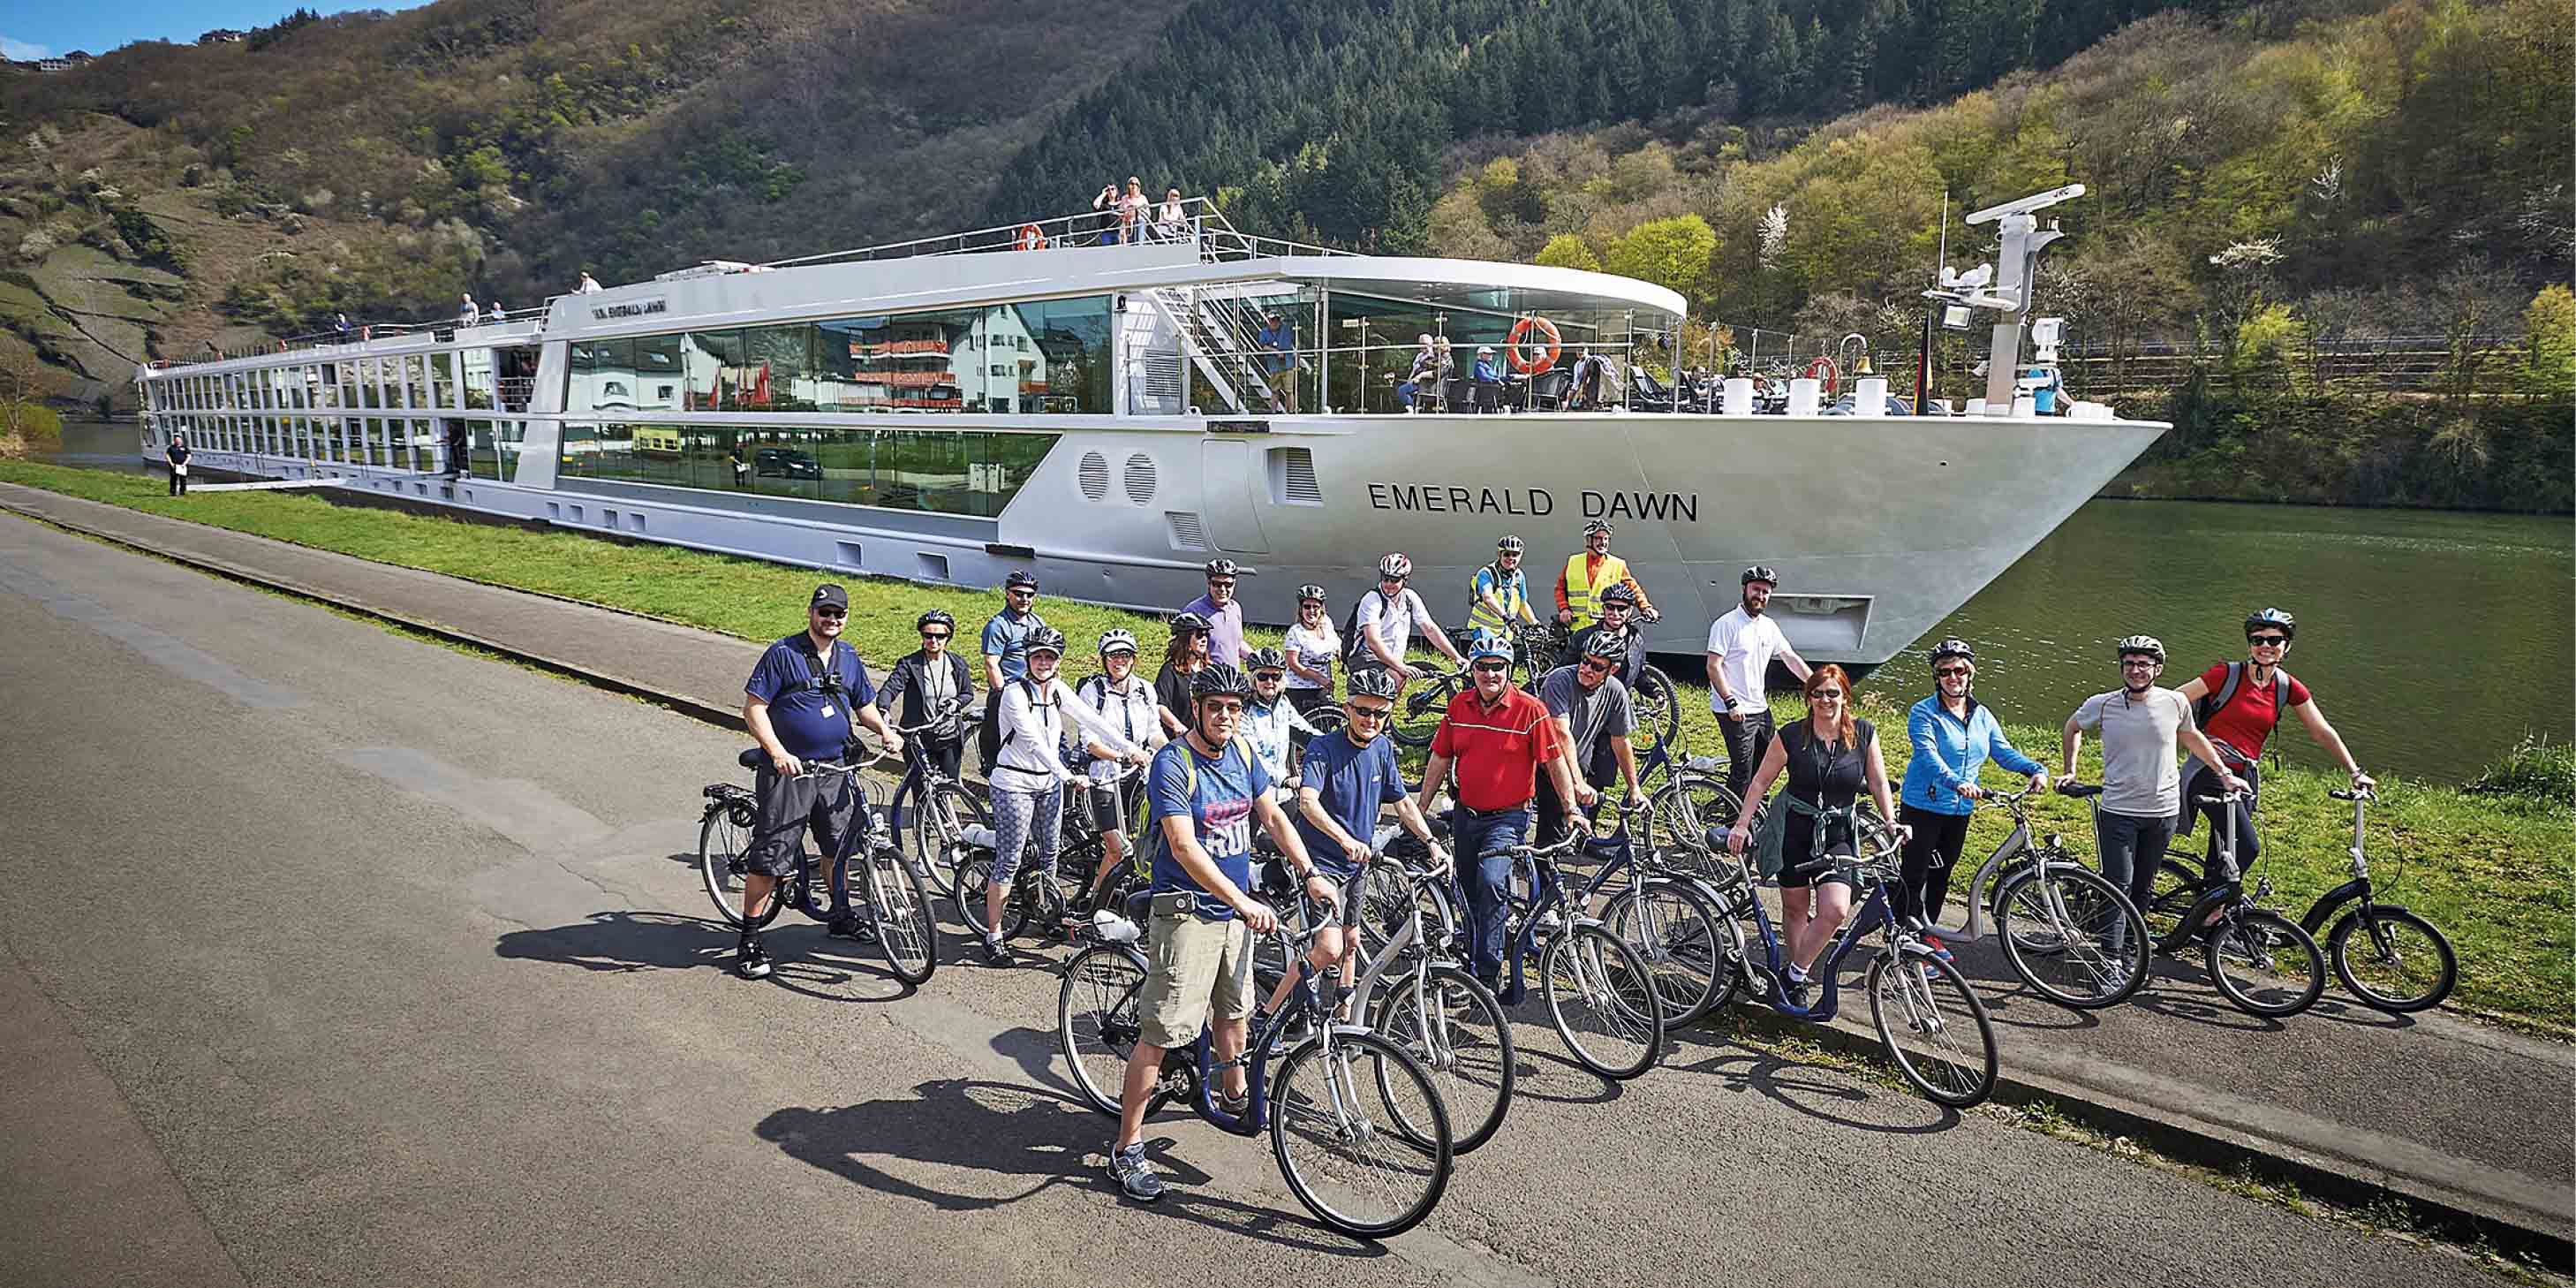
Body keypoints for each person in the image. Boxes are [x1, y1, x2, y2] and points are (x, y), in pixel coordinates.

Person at [1107, 664, 1334, 1203]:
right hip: (1187, 912)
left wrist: (1309, 871)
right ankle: (1127, 1147)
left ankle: (1233, 1094)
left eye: (1235, 707)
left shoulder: (1243, 753)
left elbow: (1275, 818)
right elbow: (1184, 847)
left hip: (1236, 913)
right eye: (1217, 708)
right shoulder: (1174, 762)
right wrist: (1242, 902)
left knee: (1234, 1010)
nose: (1227, 716)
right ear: (1198, 709)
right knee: (1162, 1035)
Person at [732, 584, 906, 980]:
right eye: (825, 612)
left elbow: (863, 706)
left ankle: (840, 913)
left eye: (838, 614)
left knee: (838, 847)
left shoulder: (848, 657)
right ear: (811, 613)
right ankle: (750, 938)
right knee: (773, 857)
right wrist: (777, 752)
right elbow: (753, 708)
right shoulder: (784, 654)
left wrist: (884, 731)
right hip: (791, 771)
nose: (832, 620)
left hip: (835, 769)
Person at [1261, 665, 1446, 1020]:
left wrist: (1430, 842)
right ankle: (1268, 1013)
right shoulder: (1323, 747)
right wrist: (1345, 839)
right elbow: (1308, 803)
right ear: (1347, 708)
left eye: (1380, 712)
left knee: (1352, 942)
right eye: (1363, 710)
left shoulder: (1383, 749)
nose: (1371, 719)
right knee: (1328, 948)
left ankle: (1345, 1017)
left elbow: (1403, 803)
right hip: (1321, 862)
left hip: (1357, 864)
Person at [1725, 665, 1907, 1009]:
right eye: (1818, 693)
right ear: (1809, 698)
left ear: (1845, 697)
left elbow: (1880, 783)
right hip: (1795, 827)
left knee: (1836, 909)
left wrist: (1890, 821)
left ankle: (1793, 972)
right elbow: (1761, 781)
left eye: (1833, 693)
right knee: (1795, 910)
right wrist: (1742, 823)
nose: (1826, 700)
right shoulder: (1792, 735)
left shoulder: (1864, 734)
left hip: (1837, 832)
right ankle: (1799, 981)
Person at [2059, 635, 2248, 963]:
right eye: (2129, 664)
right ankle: (2111, 958)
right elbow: (2072, 727)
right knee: (2117, 885)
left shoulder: (2175, 703)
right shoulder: (2102, 704)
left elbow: (2192, 737)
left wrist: (2223, 773)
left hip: (2162, 811)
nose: (2135, 670)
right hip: (2118, 810)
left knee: (2143, 887)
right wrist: (2070, 770)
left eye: (2143, 664)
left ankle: (2131, 948)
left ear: (2157, 669)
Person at [1413, 638, 1587, 991]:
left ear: (1509, 670)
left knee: (1492, 883)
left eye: (1498, 667)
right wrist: (1418, 809)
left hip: (1507, 818)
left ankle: (1487, 976)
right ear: (1472, 670)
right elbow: (1440, 758)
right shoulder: (1459, 706)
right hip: (1466, 814)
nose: (1490, 673)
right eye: (1482, 666)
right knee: (1466, 890)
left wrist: (1570, 808)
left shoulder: (1530, 709)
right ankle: (1472, 952)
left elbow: (1554, 763)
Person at [980, 626, 1151, 965]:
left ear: (1058, 662)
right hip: (1014, 782)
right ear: (1028, 660)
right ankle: (994, 934)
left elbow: (1093, 720)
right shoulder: (1015, 693)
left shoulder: (1057, 689)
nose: (1043, 662)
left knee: (1050, 855)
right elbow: (1033, 741)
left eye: (1050, 657)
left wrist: (1132, 750)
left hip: (1048, 783)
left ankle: (1045, 911)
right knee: (1010, 859)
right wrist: (1068, 775)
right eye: (1037, 656)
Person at [2171, 609, 2374, 890]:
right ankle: (2211, 914)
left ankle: (2207, 914)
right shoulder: (2225, 674)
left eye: (2274, 639)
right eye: (2258, 640)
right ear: (2250, 644)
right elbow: (2173, 702)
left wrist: (2355, 772)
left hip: (2246, 776)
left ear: (2286, 646)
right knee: (2247, 847)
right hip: (2210, 771)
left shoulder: (2286, 686)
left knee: (2224, 851)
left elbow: (2321, 731)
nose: (2265, 646)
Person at [1898, 640, 2048, 958]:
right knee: (1915, 872)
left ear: (1971, 674)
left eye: (1960, 670)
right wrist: (1956, 782)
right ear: (1936, 677)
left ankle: (1928, 931)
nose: (1954, 677)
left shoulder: (1981, 715)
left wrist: (2034, 769)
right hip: (1923, 805)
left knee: (1942, 872)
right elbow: (1927, 756)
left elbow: (2002, 751)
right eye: (1945, 671)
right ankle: (1906, 936)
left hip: (1960, 808)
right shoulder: (1923, 712)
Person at [1071, 629, 1170, 914]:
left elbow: (1154, 732)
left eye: (1125, 655)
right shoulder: (1093, 691)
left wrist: (1169, 750)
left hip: (1139, 776)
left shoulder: (1144, 690)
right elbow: (1089, 741)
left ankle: (1121, 897)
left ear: (1134, 659)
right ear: (1104, 659)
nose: (1119, 661)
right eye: (1113, 655)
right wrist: (1123, 755)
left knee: (1141, 844)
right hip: (1105, 775)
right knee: (1116, 849)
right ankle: (1094, 909)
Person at [1706, 564, 1811, 803]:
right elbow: (1713, 666)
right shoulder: (1727, 624)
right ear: (1745, 589)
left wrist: (1817, 684)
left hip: (1759, 707)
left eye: (1765, 592)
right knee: (1743, 770)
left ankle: (1755, 810)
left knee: (1768, 764)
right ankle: (1731, 827)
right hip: (1733, 708)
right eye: (1756, 590)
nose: (1760, 596)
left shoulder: (1768, 626)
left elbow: (1790, 658)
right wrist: (1730, 701)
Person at [1534, 631, 1647, 848]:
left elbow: (1621, 741)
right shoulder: (1559, 680)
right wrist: (1577, 783)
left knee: (1561, 835)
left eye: (1596, 666)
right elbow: (1561, 733)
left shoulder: (1615, 691)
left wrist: (1634, 789)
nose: (1586, 669)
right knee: (1551, 835)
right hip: (1546, 762)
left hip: (1576, 764)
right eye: (1585, 661)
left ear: (1612, 669)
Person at [875, 608, 977, 793]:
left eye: (940, 636)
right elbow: (890, 687)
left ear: (948, 637)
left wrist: (957, 702)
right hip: (919, 738)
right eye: (928, 635)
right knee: (921, 789)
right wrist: (884, 710)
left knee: (949, 788)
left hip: (950, 737)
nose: (934, 641)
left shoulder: (957, 663)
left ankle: (945, 821)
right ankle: (922, 821)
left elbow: (967, 693)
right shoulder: (910, 664)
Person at [1351, 552, 1465, 684]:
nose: (1388, 584)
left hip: (1393, 658)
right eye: (1385, 578)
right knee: (1396, 677)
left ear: (1405, 580)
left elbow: (1430, 629)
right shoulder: (1372, 600)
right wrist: (1401, 667)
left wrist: (1457, 657)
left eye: (1394, 580)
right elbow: (1373, 641)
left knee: (1396, 682)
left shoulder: (1410, 598)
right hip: (1367, 657)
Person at [978, 571, 1047, 766]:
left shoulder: (1037, 622)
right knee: (1001, 742)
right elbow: (992, 664)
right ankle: (992, 774)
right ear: (1007, 593)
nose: (1024, 599)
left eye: (1029, 594)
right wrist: (1002, 695)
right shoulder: (998, 625)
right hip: (1008, 689)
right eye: (1018, 593)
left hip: (1033, 689)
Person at [1240, 647, 1320, 799]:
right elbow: (1253, 755)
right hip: (1255, 793)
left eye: (1275, 677)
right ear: (1253, 679)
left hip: (1282, 792)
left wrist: (1334, 744)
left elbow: (1304, 729)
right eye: (1263, 677)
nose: (1270, 682)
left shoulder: (1282, 704)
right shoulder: (1245, 710)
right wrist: (1283, 779)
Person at [1553, 518, 1658, 633]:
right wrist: (1564, 609)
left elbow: (1633, 589)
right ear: (1589, 540)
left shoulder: (1618, 564)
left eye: (1606, 538)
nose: (1603, 542)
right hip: (1577, 628)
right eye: (1598, 538)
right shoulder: (1573, 562)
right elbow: (1560, 588)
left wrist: (1646, 607)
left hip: (1605, 629)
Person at [1466, 534, 1537, 650]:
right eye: (1507, 554)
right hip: (1483, 629)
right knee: (1488, 659)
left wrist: (1535, 623)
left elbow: (1523, 605)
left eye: (1515, 554)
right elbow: (1487, 597)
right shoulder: (1487, 573)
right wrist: (1506, 618)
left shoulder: (1519, 576)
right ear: (1500, 554)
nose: (1511, 558)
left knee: (1504, 665)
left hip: (1505, 632)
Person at [1567, 582, 1645, 686]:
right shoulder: (1583, 636)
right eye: (1610, 607)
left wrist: (1655, 692)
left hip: (1616, 699)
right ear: (1603, 609)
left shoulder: (1635, 640)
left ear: (1629, 611)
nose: (1615, 613)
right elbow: (1564, 671)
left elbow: (1638, 675)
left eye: (1621, 608)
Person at [1280, 584, 1339, 721]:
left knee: (1326, 724)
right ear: (1301, 609)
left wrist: (1340, 653)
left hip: (1323, 687)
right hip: (1300, 689)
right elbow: (1293, 663)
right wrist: (1318, 677)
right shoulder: (1295, 632)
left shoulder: (1326, 625)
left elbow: (1336, 642)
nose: (1311, 611)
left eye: (1316, 607)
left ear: (1321, 609)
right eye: (1307, 607)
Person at [1153, 612, 1212, 738]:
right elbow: (1160, 705)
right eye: (1199, 635)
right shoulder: (1170, 670)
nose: (1204, 639)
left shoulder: (1210, 669)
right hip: (1181, 738)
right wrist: (1177, 725)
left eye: (1206, 634)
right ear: (1185, 639)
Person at [1181, 558, 1246, 669]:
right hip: (1207, 680)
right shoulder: (1194, 611)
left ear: (1234, 584)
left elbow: (1236, 643)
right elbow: (1181, 649)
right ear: (1209, 583)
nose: (1223, 589)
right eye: (1217, 584)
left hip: (1232, 681)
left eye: (1228, 584)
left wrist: (1255, 657)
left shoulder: (1235, 608)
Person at [1254, 310, 1297, 413]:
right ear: (1269, 321)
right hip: (1274, 366)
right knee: (1274, 390)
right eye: (1273, 320)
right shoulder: (1264, 332)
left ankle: (1291, 412)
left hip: (1287, 365)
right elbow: (1263, 346)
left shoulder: (1286, 329)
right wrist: (1275, 351)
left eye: (1277, 320)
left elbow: (1292, 342)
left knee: (1289, 391)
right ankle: (1273, 412)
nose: (1275, 322)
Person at [1397, 334, 1439, 413]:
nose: (1422, 346)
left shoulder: (1433, 356)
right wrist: (1409, 380)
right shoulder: (1419, 355)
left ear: (1431, 344)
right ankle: (1410, 407)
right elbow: (1414, 369)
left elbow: (1431, 371)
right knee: (1398, 386)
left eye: (1424, 344)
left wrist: (1417, 378)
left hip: (1423, 384)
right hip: (1414, 381)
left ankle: (1410, 407)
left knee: (1401, 390)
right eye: (1420, 344)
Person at [1471, 345, 1503, 413]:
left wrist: (1508, 378)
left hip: (1492, 389)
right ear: (1481, 355)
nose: (1490, 355)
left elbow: (1495, 377)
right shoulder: (1479, 365)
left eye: (1490, 353)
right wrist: (1497, 380)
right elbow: (1483, 377)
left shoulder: (1487, 365)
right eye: (1488, 353)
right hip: (1485, 391)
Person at [1092, 181, 1124, 245]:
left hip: (1119, 231)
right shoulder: (1104, 205)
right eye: (1108, 190)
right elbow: (1096, 205)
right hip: (1106, 233)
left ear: (1116, 191)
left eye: (1112, 189)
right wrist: (1103, 194)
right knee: (1107, 251)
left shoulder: (1121, 204)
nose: (1110, 191)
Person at [1117, 178, 1148, 244]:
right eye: (1132, 184)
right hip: (1127, 223)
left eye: (1136, 184)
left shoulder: (1143, 198)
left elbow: (1148, 213)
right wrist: (1125, 214)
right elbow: (1120, 212)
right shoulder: (1124, 198)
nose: (1134, 186)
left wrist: (1139, 211)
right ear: (1128, 186)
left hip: (1139, 221)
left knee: (1139, 240)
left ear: (1138, 187)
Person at [164, 429, 191, 497]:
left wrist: (184, 463)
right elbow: (167, 455)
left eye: (178, 440)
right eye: (176, 440)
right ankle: (173, 493)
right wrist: (171, 463)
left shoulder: (185, 448)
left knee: (183, 480)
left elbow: (189, 456)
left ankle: (182, 492)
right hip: (174, 466)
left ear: (181, 440)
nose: (177, 441)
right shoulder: (171, 448)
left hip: (182, 466)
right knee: (173, 479)